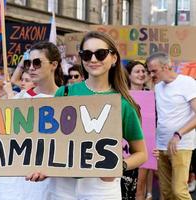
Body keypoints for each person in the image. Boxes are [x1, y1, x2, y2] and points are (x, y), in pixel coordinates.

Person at [34, 31, 147, 199]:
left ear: (113, 58)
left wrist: (118, 166)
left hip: (101, 188)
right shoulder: (64, 93)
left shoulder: (123, 104)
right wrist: (41, 166)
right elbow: (47, 140)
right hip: (61, 185)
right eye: (87, 55)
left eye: (100, 54)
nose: (93, 60)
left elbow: (141, 153)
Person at [0, 41, 64, 200]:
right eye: (28, 63)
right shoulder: (20, 97)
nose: (31, 67)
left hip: (48, 178)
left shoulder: (66, 99)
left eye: (37, 62)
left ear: (54, 65)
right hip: (16, 180)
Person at [146, 52, 196, 200]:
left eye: (154, 70)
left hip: (181, 145)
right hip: (161, 145)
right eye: (149, 71)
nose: (151, 74)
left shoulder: (187, 83)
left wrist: (178, 134)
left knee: (179, 191)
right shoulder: (158, 87)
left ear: (167, 66)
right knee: (166, 192)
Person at [125, 60, 154, 200]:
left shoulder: (152, 96)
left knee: (139, 189)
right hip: (122, 149)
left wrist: (155, 146)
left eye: (144, 71)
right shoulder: (121, 95)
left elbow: (155, 124)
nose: (141, 74)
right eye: (137, 71)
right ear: (129, 75)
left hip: (144, 149)